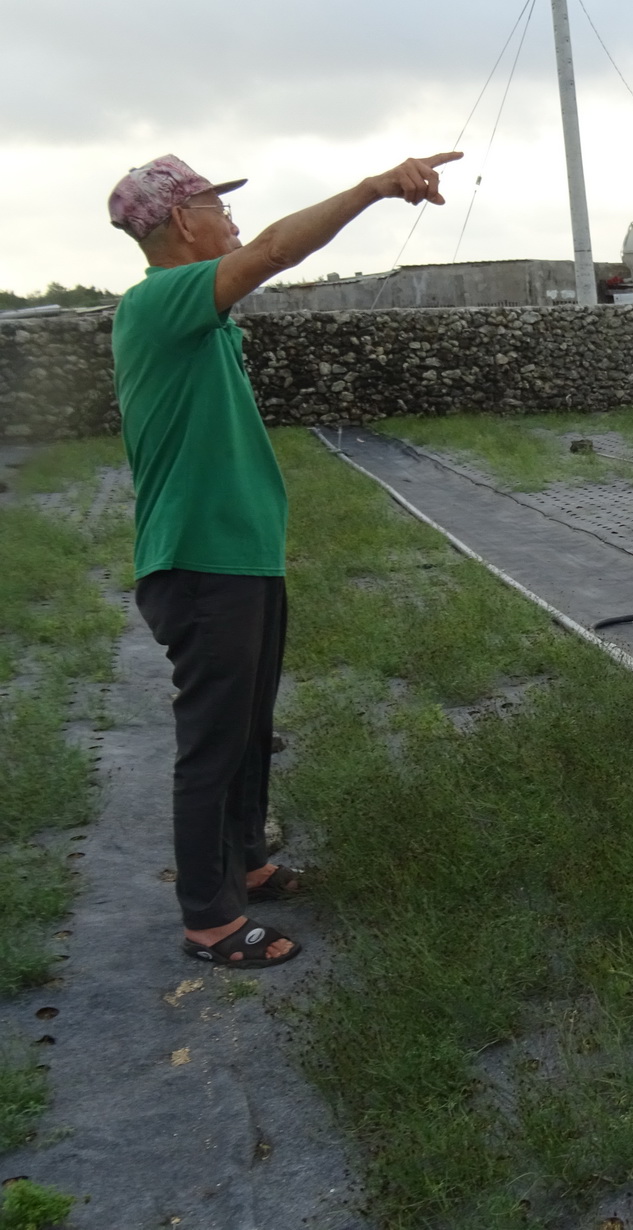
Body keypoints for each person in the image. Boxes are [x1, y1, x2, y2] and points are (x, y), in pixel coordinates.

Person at [108, 149, 460, 967]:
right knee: (212, 742)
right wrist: (376, 187)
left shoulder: (201, 317)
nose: (229, 220)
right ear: (179, 223)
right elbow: (271, 251)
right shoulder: (160, 301)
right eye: (216, 207)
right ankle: (210, 921)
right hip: (201, 563)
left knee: (249, 731)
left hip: (241, 560)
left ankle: (248, 865)